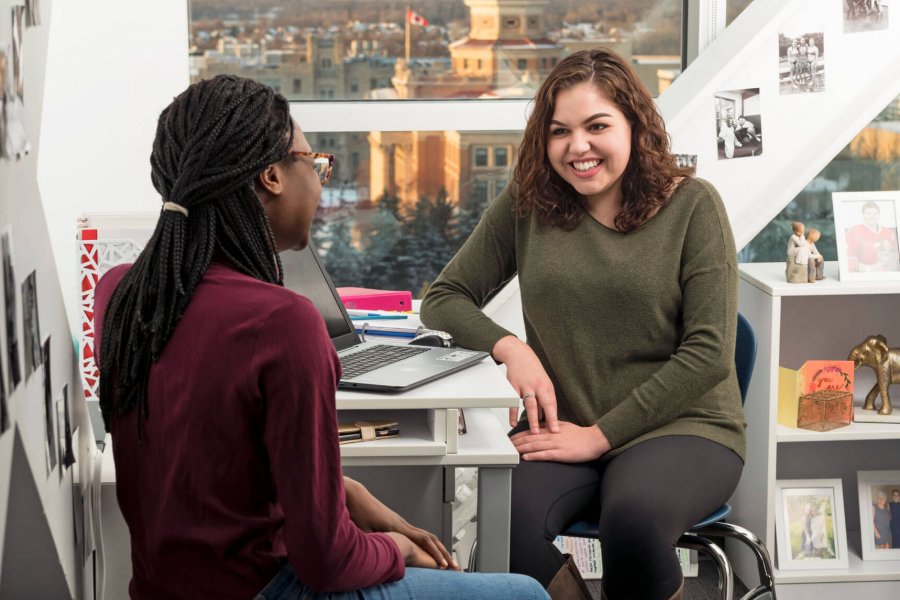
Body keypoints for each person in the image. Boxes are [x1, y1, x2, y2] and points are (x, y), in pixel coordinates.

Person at [94, 75, 547, 600]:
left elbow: (214, 476)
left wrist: (348, 494)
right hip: (264, 589)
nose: (321, 179)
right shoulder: (282, 323)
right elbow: (327, 561)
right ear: (272, 176)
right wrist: (398, 549)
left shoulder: (124, 294)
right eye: (315, 164)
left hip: (161, 588)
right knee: (527, 594)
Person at [420, 48, 745, 600]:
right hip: (562, 427)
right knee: (503, 521)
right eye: (559, 131)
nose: (578, 147)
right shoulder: (529, 204)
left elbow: (709, 354)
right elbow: (444, 297)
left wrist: (598, 437)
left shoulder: (694, 207)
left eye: (597, 126)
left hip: (682, 426)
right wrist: (510, 349)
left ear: (635, 127)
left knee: (635, 521)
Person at [845, 201, 900, 272]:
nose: (872, 216)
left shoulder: (888, 232)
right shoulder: (854, 231)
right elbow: (848, 259)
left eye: (875, 213)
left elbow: (896, 253)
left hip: (887, 273)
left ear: (879, 215)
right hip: (865, 274)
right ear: (863, 215)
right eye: (868, 213)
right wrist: (869, 268)